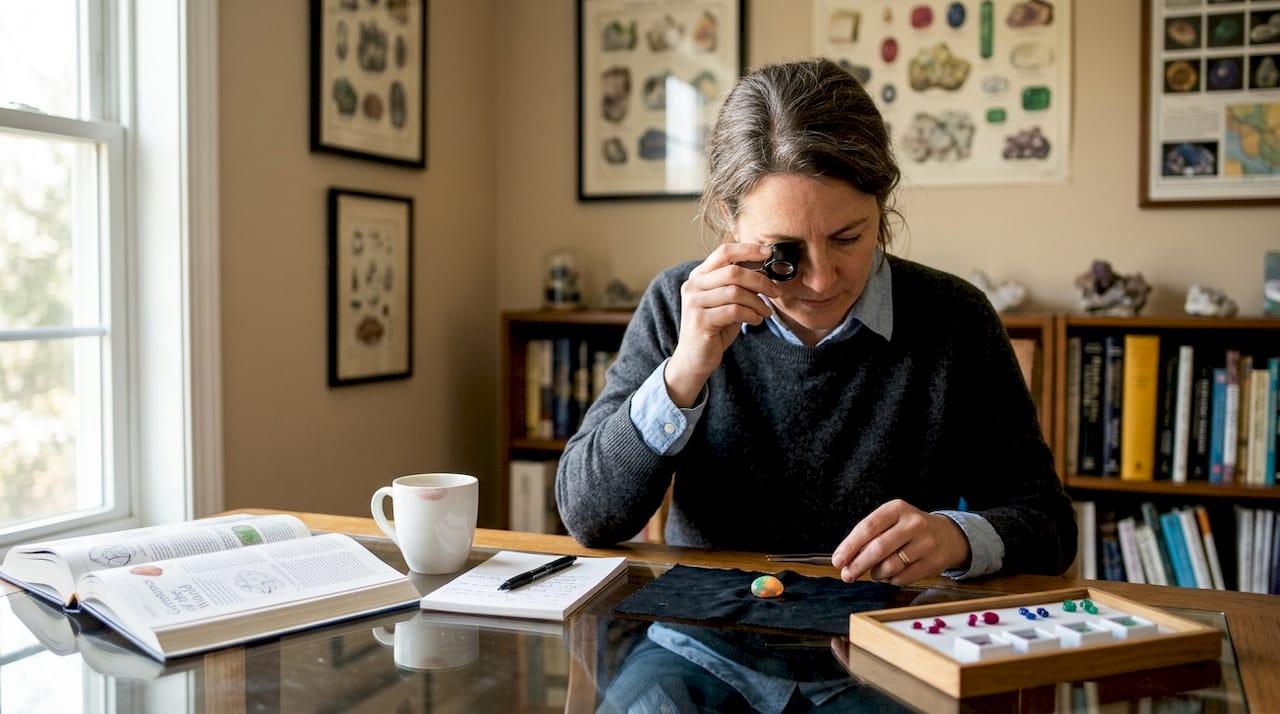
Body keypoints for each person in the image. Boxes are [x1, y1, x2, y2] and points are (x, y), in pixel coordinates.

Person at [555, 58, 1076, 584]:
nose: (822, 280)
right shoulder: (678, 304)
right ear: (727, 217)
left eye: (847, 238)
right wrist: (684, 372)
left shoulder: (955, 319)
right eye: (783, 251)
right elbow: (587, 516)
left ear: (882, 202)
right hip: (703, 638)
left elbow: (1048, 525)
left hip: (886, 635)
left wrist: (954, 538)